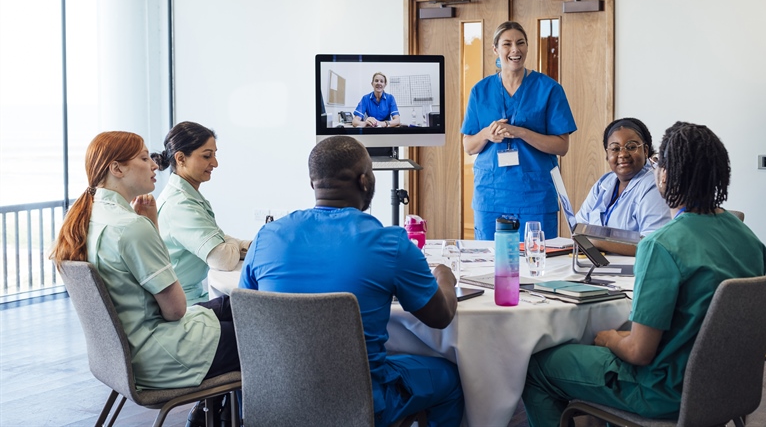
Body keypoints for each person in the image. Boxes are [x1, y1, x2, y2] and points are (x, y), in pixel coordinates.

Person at [521, 121, 766, 427]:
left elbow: (639, 352)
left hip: (662, 389)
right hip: (727, 383)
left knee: (536, 366)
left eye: (657, 163)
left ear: (666, 174)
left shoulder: (661, 246)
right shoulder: (750, 240)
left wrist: (609, 337)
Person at [239, 135, 464, 427]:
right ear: (365, 181)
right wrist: (444, 275)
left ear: (313, 183)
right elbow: (441, 316)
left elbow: (247, 314)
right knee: (450, 377)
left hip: (274, 399)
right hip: (363, 402)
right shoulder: (390, 243)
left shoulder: (266, 236)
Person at [49, 131, 240, 425]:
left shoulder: (90, 218)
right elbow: (175, 310)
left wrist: (150, 224)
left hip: (128, 354)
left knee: (236, 309)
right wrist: (148, 227)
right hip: (162, 356)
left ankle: (212, 418)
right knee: (264, 338)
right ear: (117, 168)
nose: (154, 164)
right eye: (142, 157)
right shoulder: (130, 227)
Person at [461, 21, 577, 240]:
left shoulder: (549, 89)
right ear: (496, 49)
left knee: (538, 264)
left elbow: (562, 146)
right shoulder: (480, 91)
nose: (515, 49)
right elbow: (468, 146)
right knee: (489, 266)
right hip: (491, 195)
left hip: (535, 196)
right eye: (507, 44)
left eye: (520, 43)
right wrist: (487, 134)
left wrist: (521, 132)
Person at [152, 121, 251, 305]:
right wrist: (231, 243)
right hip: (183, 305)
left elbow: (218, 240)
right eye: (207, 156)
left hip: (189, 297)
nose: (215, 163)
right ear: (181, 158)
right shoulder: (180, 206)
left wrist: (250, 245)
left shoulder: (187, 196)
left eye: (214, 155)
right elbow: (222, 259)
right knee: (251, 311)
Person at [575, 117, 671, 255]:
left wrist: (596, 242)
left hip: (635, 271)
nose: (623, 154)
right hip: (600, 265)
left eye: (631, 147)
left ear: (645, 150)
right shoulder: (604, 183)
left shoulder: (654, 185)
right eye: (615, 148)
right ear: (607, 155)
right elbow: (579, 228)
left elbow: (653, 244)